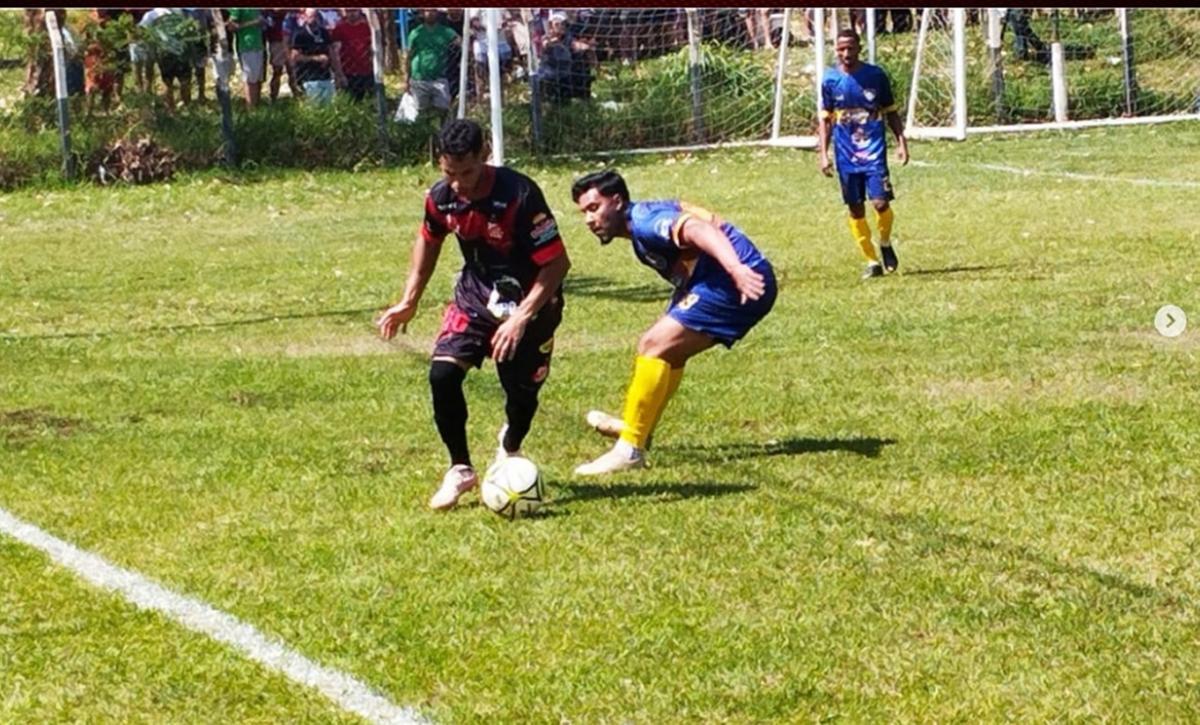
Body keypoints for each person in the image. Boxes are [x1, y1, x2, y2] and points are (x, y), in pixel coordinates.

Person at [376, 119, 571, 511]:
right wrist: (409, 299)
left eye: (466, 173)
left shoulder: (519, 194)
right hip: (475, 297)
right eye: (449, 173)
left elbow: (557, 264)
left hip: (531, 305)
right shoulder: (442, 197)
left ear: (485, 154)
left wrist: (520, 318)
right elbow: (429, 238)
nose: (458, 184)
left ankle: (510, 446)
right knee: (442, 375)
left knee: (521, 395)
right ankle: (460, 468)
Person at [570, 170, 777, 475]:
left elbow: (697, 228)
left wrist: (736, 269)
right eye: (584, 213)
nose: (589, 219)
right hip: (717, 279)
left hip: (736, 281)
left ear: (617, 201)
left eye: (594, 208)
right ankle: (638, 431)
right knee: (669, 352)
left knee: (653, 345)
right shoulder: (641, 224)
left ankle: (630, 450)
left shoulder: (645, 222)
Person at [818, 29, 909, 279]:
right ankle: (871, 261)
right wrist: (823, 153)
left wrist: (901, 141)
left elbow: (890, 111)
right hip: (845, 156)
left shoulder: (875, 76)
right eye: (841, 49)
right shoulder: (830, 79)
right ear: (836, 50)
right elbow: (825, 119)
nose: (846, 53)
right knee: (855, 209)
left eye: (850, 47)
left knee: (880, 202)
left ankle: (885, 243)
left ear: (859, 48)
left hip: (874, 152)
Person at [405, 9, 458, 123]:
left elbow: (460, 41)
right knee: (421, 110)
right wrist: (406, 79)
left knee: (444, 108)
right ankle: (425, 130)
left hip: (439, 77)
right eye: (427, 11)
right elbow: (408, 56)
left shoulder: (445, 31)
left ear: (437, 13)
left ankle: (443, 129)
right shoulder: (416, 32)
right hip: (419, 78)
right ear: (422, 13)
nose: (430, 13)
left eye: (433, 10)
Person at [290, 7, 340, 105]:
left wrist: (338, 73)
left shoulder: (324, 32)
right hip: (308, 77)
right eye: (311, 16)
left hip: (325, 76)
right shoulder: (300, 34)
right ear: (305, 17)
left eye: (316, 16)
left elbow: (331, 52)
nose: (314, 19)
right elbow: (295, 57)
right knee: (313, 105)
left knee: (328, 106)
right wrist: (316, 59)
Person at [226, 7, 265, 107]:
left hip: (258, 44)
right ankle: (250, 108)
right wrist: (253, 23)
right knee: (250, 79)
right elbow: (231, 26)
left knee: (257, 79)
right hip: (246, 45)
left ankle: (256, 107)